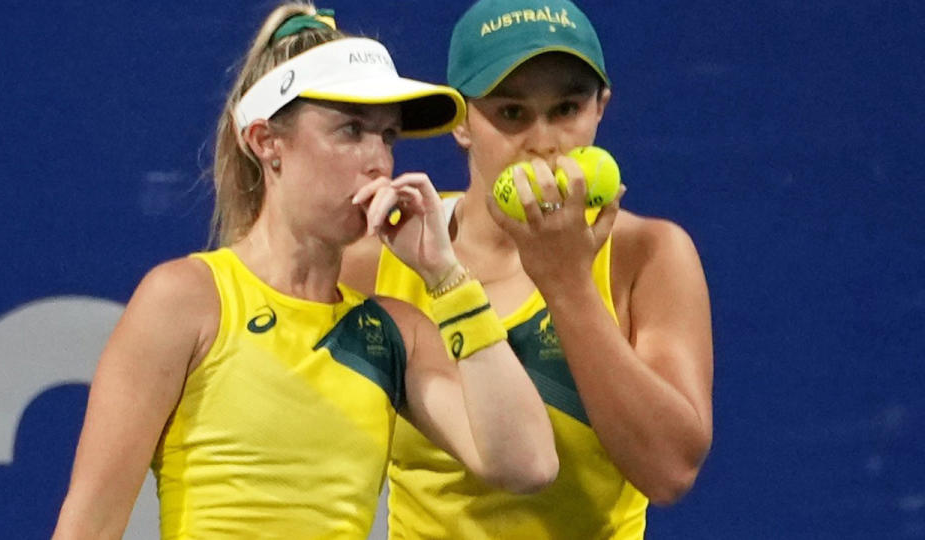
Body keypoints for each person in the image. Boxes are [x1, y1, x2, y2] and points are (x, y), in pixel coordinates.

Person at [51, 4, 559, 539]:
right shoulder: (187, 299)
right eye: (350, 131)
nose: (378, 162)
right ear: (266, 142)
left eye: (387, 136)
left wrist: (445, 275)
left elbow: (527, 465)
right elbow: (90, 525)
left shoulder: (396, 332)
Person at [341, 0, 714, 538]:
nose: (544, 142)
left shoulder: (649, 255)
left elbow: (670, 471)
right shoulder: (374, 261)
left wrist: (566, 283)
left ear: (600, 108)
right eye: (511, 113)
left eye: (566, 109)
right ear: (462, 123)